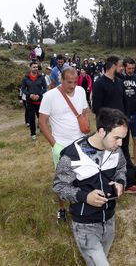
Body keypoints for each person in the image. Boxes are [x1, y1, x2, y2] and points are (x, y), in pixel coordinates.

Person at [53, 107, 127, 266]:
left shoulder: (115, 150)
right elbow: (59, 186)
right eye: (117, 138)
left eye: (123, 138)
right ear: (101, 132)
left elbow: (121, 169)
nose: (120, 143)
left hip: (109, 221)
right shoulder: (72, 155)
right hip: (85, 226)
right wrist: (85, 196)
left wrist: (120, 183)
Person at [39, 67, 89, 224]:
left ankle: (80, 205)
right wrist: (55, 145)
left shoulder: (81, 91)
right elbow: (42, 122)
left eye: (75, 82)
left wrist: (86, 126)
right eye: (69, 82)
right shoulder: (50, 96)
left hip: (81, 143)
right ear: (61, 80)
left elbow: (85, 110)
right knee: (62, 180)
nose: (72, 86)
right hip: (62, 145)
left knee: (83, 176)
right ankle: (62, 208)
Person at [92, 56, 136, 194]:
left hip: (121, 126)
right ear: (113, 66)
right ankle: (102, 183)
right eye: (120, 66)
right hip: (107, 127)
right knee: (104, 154)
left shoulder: (120, 82)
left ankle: (130, 183)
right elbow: (96, 108)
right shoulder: (99, 84)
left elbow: (125, 103)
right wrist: (107, 124)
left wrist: (125, 120)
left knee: (124, 151)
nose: (122, 68)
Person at [20, 61, 47, 140]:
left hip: (39, 101)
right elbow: (23, 88)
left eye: (36, 67)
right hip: (30, 101)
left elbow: (45, 88)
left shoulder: (41, 77)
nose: (35, 69)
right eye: (34, 67)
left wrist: (39, 94)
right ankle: (33, 134)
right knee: (31, 118)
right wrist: (29, 94)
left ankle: (43, 129)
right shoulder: (26, 78)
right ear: (30, 68)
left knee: (41, 117)